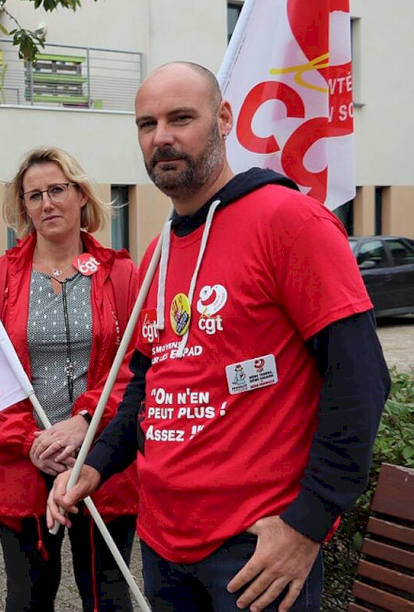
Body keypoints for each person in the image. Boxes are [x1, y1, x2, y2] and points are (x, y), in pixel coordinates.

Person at [48, 62, 390, 612]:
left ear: (224, 119)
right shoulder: (159, 250)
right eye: (146, 123)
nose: (162, 137)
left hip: (255, 551)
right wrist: (97, 463)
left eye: (181, 118)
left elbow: (361, 380)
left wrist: (308, 524)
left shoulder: (289, 220)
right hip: (164, 545)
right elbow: (148, 381)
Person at [0, 147, 139, 612]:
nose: (46, 203)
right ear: (22, 207)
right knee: (27, 598)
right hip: (21, 463)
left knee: (106, 594)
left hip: (105, 459)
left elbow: (138, 364)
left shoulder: (123, 274)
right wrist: (32, 441)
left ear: (81, 195)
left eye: (56, 190)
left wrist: (85, 421)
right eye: (33, 195)